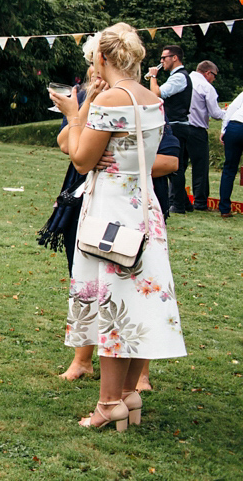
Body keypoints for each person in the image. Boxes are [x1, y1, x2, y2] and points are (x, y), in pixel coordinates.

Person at [51, 23, 186, 431]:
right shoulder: (151, 98)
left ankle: (109, 403)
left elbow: (80, 160)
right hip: (144, 207)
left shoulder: (110, 99)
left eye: (94, 56)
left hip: (110, 208)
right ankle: (129, 394)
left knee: (111, 304)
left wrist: (75, 116)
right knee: (132, 301)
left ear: (104, 58)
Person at [146, 45, 192, 213]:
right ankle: (185, 203)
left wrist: (152, 76)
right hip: (178, 125)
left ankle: (177, 205)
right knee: (178, 167)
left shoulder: (179, 77)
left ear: (175, 58)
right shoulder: (176, 77)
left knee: (174, 167)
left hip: (177, 126)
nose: (161, 61)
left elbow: (156, 94)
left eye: (164, 58)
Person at [186, 60, 225, 210]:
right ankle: (200, 202)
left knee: (180, 166)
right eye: (214, 75)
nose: (214, 79)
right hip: (197, 130)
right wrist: (228, 113)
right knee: (200, 167)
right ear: (208, 73)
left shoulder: (184, 80)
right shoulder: (206, 87)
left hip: (181, 127)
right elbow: (215, 114)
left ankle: (176, 199)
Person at [218, 89, 243, 216]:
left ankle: (224, 208)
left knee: (229, 169)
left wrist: (224, 129)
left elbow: (232, 108)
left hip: (235, 127)